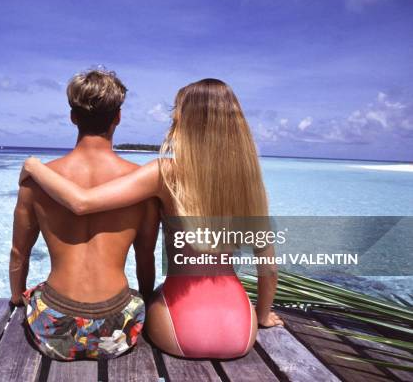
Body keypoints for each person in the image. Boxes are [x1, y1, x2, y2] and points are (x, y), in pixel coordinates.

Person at [19, 78, 284, 359]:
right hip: (240, 329)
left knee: (147, 298)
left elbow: (82, 202)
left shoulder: (166, 173)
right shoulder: (249, 184)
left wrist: (35, 166)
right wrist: (264, 316)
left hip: (178, 324)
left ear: (185, 122)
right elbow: (268, 270)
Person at [9, 69, 160, 361]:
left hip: (52, 330)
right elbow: (145, 258)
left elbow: (19, 253)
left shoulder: (37, 180)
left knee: (37, 294)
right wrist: (147, 305)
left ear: (73, 117)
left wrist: (17, 298)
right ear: (117, 117)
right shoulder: (142, 184)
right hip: (118, 331)